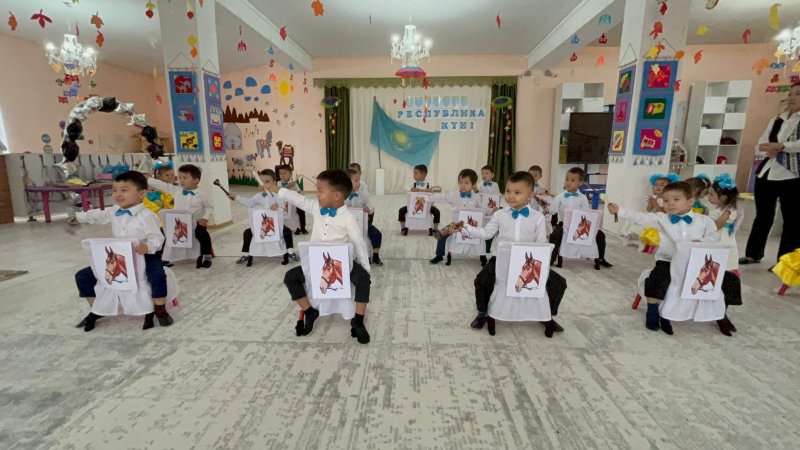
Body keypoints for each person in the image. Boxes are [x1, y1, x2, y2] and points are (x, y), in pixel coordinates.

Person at [608, 181, 738, 336]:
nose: (670, 203)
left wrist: (700, 242)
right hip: (668, 260)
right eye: (666, 200)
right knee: (657, 278)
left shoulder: (704, 221)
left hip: (696, 262)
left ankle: (720, 314)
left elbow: (713, 237)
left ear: (690, 201)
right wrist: (620, 210)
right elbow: (640, 217)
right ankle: (653, 311)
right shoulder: (662, 219)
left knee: (729, 280)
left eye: (676, 199)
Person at [267, 169, 373, 344]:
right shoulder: (316, 207)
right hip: (316, 263)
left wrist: (365, 268)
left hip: (341, 264)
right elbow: (298, 199)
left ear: (337, 195)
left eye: (320, 191)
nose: (316, 194)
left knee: (363, 280)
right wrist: (276, 189)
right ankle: (309, 311)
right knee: (290, 277)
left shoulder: (348, 218)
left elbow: (358, 244)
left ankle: (358, 320)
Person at [458, 171, 567, 337]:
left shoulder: (538, 218)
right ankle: (482, 312)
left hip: (526, 262)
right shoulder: (499, 215)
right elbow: (486, 233)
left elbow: (540, 244)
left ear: (530, 195)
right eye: (508, 191)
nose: (511, 196)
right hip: (501, 259)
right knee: (481, 280)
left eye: (517, 192)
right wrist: (466, 228)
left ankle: (548, 315)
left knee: (558, 283)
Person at [71, 171, 173, 331]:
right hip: (120, 256)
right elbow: (98, 215)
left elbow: (157, 238)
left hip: (143, 255)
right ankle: (97, 308)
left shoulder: (147, 216)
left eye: (124, 190)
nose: (118, 194)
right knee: (83, 276)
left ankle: (160, 309)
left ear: (142, 193)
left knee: (157, 275)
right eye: (114, 190)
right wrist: (79, 217)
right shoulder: (114, 211)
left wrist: (147, 247)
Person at [742, 82, 800, 265]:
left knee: (791, 219)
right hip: (767, 172)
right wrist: (769, 148)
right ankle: (753, 253)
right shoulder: (777, 119)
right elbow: (761, 143)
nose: (792, 97)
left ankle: (785, 261)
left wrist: (782, 146)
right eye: (790, 94)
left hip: (792, 175)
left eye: (797, 94)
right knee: (763, 215)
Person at [147, 164, 214, 269]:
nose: (181, 180)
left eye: (185, 178)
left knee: (202, 234)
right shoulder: (176, 190)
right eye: (180, 178)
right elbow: (162, 185)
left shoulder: (201, 194)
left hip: (195, 222)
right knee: (167, 235)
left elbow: (210, 207)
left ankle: (207, 256)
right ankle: (166, 257)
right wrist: (147, 179)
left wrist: (205, 218)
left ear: (196, 180)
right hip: (179, 222)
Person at [228, 169, 298, 267]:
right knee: (247, 233)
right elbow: (248, 202)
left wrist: (278, 207)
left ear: (274, 183)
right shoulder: (257, 196)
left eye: (267, 182)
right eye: (261, 182)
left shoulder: (278, 196)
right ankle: (246, 254)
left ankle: (290, 252)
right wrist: (236, 197)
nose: (263, 185)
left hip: (276, 225)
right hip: (261, 224)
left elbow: (284, 210)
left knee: (287, 231)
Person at [548, 167, 612, 270]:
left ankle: (600, 258)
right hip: (563, 224)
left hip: (578, 224)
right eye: (567, 179)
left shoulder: (582, 197)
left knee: (600, 235)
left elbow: (586, 213)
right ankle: (551, 258)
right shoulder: (560, 196)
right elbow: (552, 210)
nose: (568, 182)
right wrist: (548, 207)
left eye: (573, 180)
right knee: (555, 235)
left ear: (580, 182)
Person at [429, 169, 482, 265]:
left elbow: (482, 210)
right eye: (460, 182)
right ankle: (439, 255)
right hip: (455, 224)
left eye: (466, 183)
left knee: (482, 236)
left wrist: (492, 211)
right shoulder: (454, 195)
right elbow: (442, 197)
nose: (463, 185)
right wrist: (427, 198)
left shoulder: (477, 197)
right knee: (440, 235)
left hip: (470, 225)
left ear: (473, 184)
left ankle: (482, 255)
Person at [345, 168, 383, 266]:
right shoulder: (342, 196)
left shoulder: (364, 195)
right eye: (355, 181)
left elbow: (372, 208)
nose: (359, 183)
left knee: (376, 234)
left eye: (359, 180)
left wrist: (368, 209)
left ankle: (375, 255)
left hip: (362, 224)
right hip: (346, 226)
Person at [708, 173, 742, 277]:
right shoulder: (720, 208)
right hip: (719, 236)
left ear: (723, 197)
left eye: (711, 194)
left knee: (724, 259)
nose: (708, 197)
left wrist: (707, 225)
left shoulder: (728, 210)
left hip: (722, 238)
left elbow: (718, 225)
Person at [143, 160, 175, 266]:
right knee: (160, 237)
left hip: (166, 218)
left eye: (172, 175)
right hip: (156, 220)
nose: (170, 177)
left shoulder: (167, 190)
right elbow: (151, 206)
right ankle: (158, 258)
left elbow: (169, 203)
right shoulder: (149, 193)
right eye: (167, 175)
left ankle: (164, 256)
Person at [641, 173, 679, 254]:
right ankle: (649, 247)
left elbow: (663, 212)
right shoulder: (654, 197)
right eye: (656, 185)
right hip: (655, 217)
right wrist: (650, 203)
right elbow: (648, 210)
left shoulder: (668, 200)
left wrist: (654, 202)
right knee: (650, 232)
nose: (658, 187)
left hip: (664, 219)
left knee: (660, 235)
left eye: (662, 185)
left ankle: (659, 248)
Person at [398, 164, 441, 236]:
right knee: (401, 211)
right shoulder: (413, 184)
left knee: (437, 212)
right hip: (413, 206)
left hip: (426, 207)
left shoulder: (429, 185)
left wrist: (430, 192)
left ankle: (435, 229)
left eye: (415, 173)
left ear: (423, 174)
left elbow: (435, 194)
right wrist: (411, 189)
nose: (413, 175)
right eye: (413, 173)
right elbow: (405, 188)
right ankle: (403, 228)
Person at [277, 164, 309, 235]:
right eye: (280, 173)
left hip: (294, 203)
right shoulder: (279, 183)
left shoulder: (294, 183)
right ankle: (288, 227)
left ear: (290, 174)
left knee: (300, 212)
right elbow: (279, 191)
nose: (282, 175)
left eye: (285, 173)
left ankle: (302, 227)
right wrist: (288, 185)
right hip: (284, 203)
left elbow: (298, 192)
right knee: (287, 217)